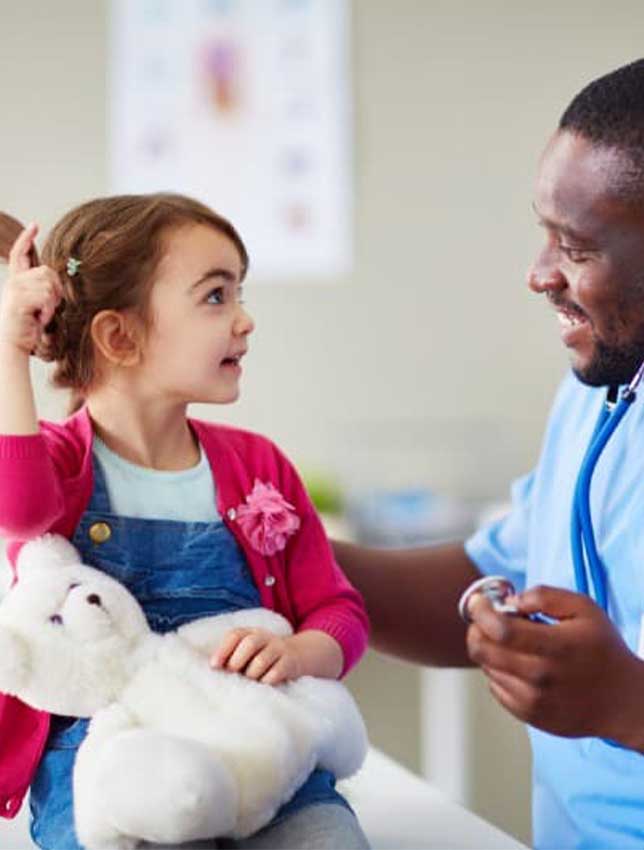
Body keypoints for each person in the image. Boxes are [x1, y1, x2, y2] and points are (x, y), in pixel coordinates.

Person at [333, 58, 644, 850]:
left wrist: (626, 703)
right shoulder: (599, 386)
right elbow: (493, 573)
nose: (539, 275)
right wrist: (265, 545)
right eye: (545, 231)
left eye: (575, 246)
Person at [0, 194, 370, 850]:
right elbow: (19, 512)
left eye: (239, 293)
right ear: (119, 335)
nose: (246, 320)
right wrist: (9, 351)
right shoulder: (58, 462)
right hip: (106, 764)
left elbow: (338, 611)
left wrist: (297, 652)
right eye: (215, 297)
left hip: (249, 738)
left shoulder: (259, 466)